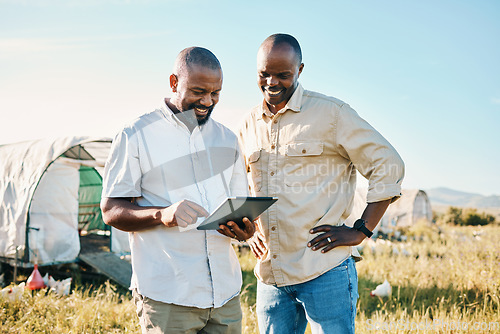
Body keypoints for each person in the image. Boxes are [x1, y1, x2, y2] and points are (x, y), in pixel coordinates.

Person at [238, 33, 405, 334]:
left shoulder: (331, 114)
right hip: (271, 276)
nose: (272, 83)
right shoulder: (248, 124)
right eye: (264, 74)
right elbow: (241, 187)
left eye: (283, 75)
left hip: (324, 270)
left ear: (300, 71)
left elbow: (388, 163)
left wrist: (361, 230)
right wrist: (249, 233)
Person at [100, 46, 256, 334]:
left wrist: (245, 230)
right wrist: (162, 214)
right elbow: (111, 210)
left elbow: (238, 204)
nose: (207, 101)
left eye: (216, 93)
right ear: (174, 82)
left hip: (225, 296)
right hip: (169, 296)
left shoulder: (228, 139)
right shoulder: (135, 135)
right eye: (198, 91)